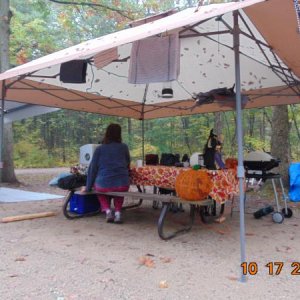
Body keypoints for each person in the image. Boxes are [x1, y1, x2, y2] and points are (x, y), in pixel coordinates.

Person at [81, 123, 130, 223]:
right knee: (119, 192)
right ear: (119, 134)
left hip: (104, 184)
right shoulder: (124, 147)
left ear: (106, 133)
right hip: (123, 184)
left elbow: (92, 169)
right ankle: (117, 213)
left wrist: (88, 187)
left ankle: (107, 210)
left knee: (98, 188)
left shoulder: (100, 149)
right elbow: (127, 162)